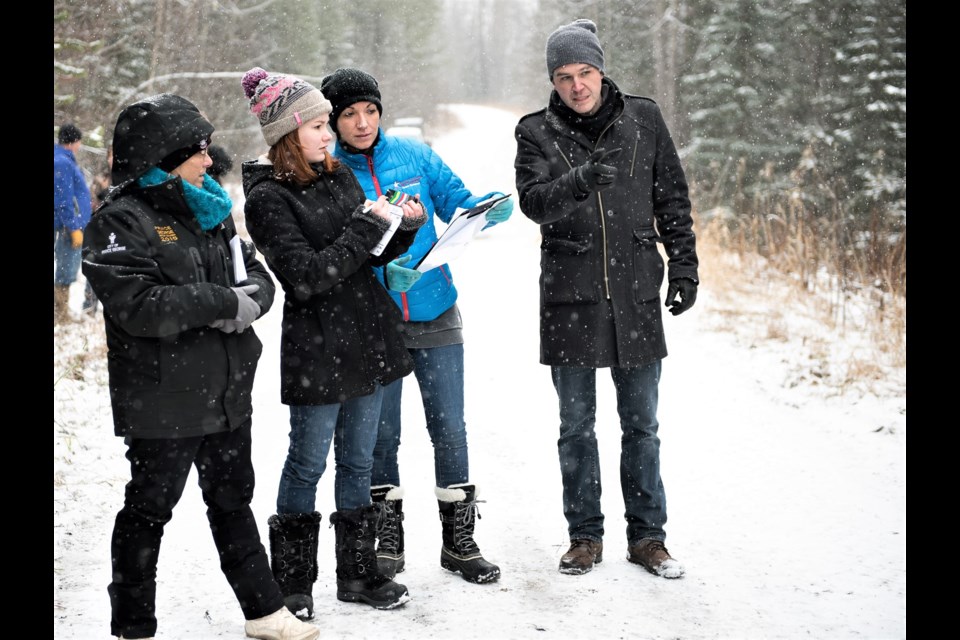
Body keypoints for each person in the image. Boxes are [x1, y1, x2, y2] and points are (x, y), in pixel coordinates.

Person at [81, 93, 319, 640]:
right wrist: (220, 303)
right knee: (148, 511)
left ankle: (264, 612)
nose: (211, 162)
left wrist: (253, 300)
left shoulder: (211, 209)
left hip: (228, 390)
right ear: (165, 157)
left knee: (234, 503)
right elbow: (139, 307)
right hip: (164, 398)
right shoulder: (120, 223)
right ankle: (133, 624)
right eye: (200, 152)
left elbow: (254, 273)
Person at [513, 19, 699, 579]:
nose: (577, 86)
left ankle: (648, 539)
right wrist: (580, 180)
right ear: (554, 79)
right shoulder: (535, 131)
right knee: (576, 426)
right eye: (565, 76)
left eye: (586, 73)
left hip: (637, 289)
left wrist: (684, 266)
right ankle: (584, 537)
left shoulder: (643, 117)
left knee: (642, 424)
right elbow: (533, 203)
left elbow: (672, 195)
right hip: (570, 296)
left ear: (601, 70)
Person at [240, 67, 425, 616]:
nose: (329, 134)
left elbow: (364, 258)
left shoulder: (339, 175)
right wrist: (366, 228)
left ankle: (358, 576)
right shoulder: (267, 199)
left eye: (328, 124)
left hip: (366, 337)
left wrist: (402, 228)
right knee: (307, 463)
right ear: (288, 132)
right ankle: (293, 584)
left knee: (360, 463)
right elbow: (307, 277)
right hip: (317, 349)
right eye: (319, 125)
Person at [319, 67, 512, 585]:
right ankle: (389, 539)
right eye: (349, 114)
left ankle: (459, 540)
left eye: (370, 111)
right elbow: (335, 251)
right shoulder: (329, 171)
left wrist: (486, 209)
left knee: (449, 425)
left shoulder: (414, 155)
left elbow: (457, 200)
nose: (362, 123)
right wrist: (381, 271)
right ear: (333, 120)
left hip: (435, 305)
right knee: (382, 435)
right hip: (373, 319)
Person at [54, 123, 92, 324]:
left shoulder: (61, 159)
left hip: (66, 224)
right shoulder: (62, 162)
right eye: (78, 142)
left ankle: (61, 315)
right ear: (73, 142)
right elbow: (63, 199)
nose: (79, 146)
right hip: (66, 226)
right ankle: (60, 316)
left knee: (66, 269)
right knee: (65, 270)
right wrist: (73, 226)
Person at [82, 144, 113, 316]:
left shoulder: (131, 178)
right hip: (100, 229)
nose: (113, 158)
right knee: (94, 268)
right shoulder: (101, 179)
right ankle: (89, 307)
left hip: (121, 233)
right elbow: (91, 203)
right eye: (110, 155)